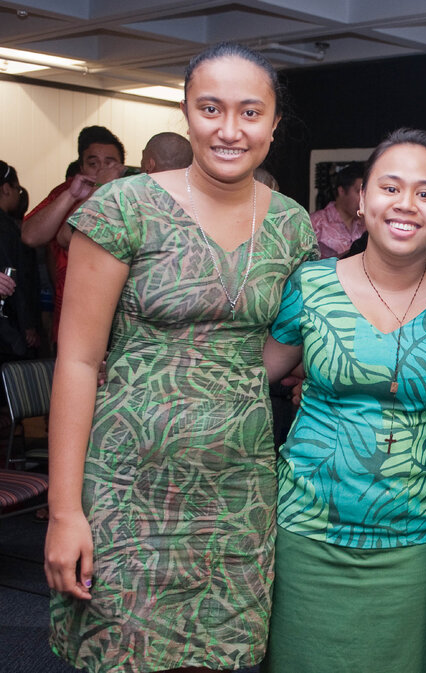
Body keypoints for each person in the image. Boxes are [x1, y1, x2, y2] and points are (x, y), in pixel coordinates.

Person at [44, 42, 316, 672]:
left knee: (215, 659)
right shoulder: (123, 207)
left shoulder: (292, 226)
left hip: (237, 493)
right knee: (121, 655)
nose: (229, 129)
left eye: (250, 113)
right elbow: (78, 363)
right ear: (186, 113)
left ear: (274, 125)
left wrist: (233, 385)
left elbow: (274, 343)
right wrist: (63, 512)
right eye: (211, 108)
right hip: (126, 489)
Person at [261, 128, 426, 673]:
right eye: (390, 187)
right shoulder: (312, 284)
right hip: (306, 530)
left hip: (411, 539)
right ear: (362, 200)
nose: (405, 204)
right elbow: (249, 377)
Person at [21, 125, 127, 349]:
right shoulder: (69, 191)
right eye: (93, 163)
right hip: (71, 316)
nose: (101, 169)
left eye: (109, 163)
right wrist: (75, 194)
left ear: (121, 167)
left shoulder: (130, 194)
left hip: (119, 320)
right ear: (81, 166)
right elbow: (30, 236)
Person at [0, 160, 40, 361]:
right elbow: (17, 278)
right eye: (17, 189)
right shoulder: (7, 229)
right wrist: (28, 325)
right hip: (9, 329)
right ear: (6, 189)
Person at [310, 161, 365, 258]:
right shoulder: (315, 223)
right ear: (342, 191)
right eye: (358, 192)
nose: (363, 199)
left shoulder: (364, 225)